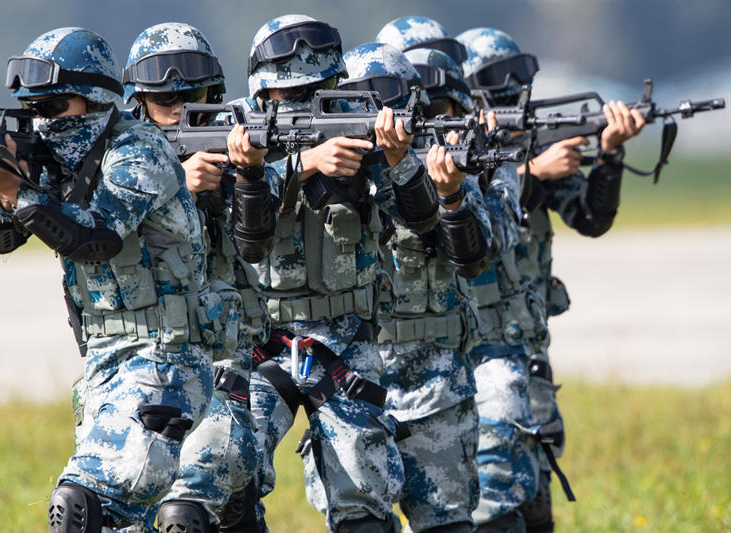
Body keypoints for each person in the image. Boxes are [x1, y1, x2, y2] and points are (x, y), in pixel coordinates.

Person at [0, 27, 221, 532]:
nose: (46, 122)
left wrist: (20, 193)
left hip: (165, 356)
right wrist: (5, 192)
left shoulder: (139, 149)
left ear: (99, 100)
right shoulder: (56, 160)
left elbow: (96, 238)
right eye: (36, 109)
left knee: (80, 508)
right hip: (104, 362)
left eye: (58, 106)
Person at [239, 14, 442, 533]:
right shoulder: (242, 141)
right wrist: (300, 164)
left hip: (347, 341)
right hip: (263, 341)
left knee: (363, 513)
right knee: (218, 483)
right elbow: (243, 230)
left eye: (318, 91)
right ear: (263, 97)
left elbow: (425, 226)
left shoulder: (359, 128)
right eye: (290, 95)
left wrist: (399, 162)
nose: (304, 103)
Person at [458, 27, 645, 532]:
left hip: (528, 351)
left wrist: (609, 155)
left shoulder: (527, 144)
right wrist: (532, 176)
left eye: (517, 80)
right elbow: (471, 233)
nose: (511, 92)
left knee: (536, 501)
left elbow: (591, 218)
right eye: (497, 83)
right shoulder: (456, 158)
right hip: (475, 354)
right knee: (484, 502)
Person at [117, 22, 281, 532]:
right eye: (163, 97)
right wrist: (172, 188)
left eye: (191, 95)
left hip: (225, 364)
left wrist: (248, 176)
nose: (178, 106)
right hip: (142, 363)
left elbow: (258, 244)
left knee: (212, 513)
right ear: (140, 102)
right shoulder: (123, 167)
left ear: (214, 94)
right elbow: (100, 244)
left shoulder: (241, 159)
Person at [338, 41, 490, 533]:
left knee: (446, 525)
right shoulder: (326, 164)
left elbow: (472, 254)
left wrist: (449, 196)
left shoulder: (443, 156)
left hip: (434, 386)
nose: (378, 114)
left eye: (387, 97)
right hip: (353, 384)